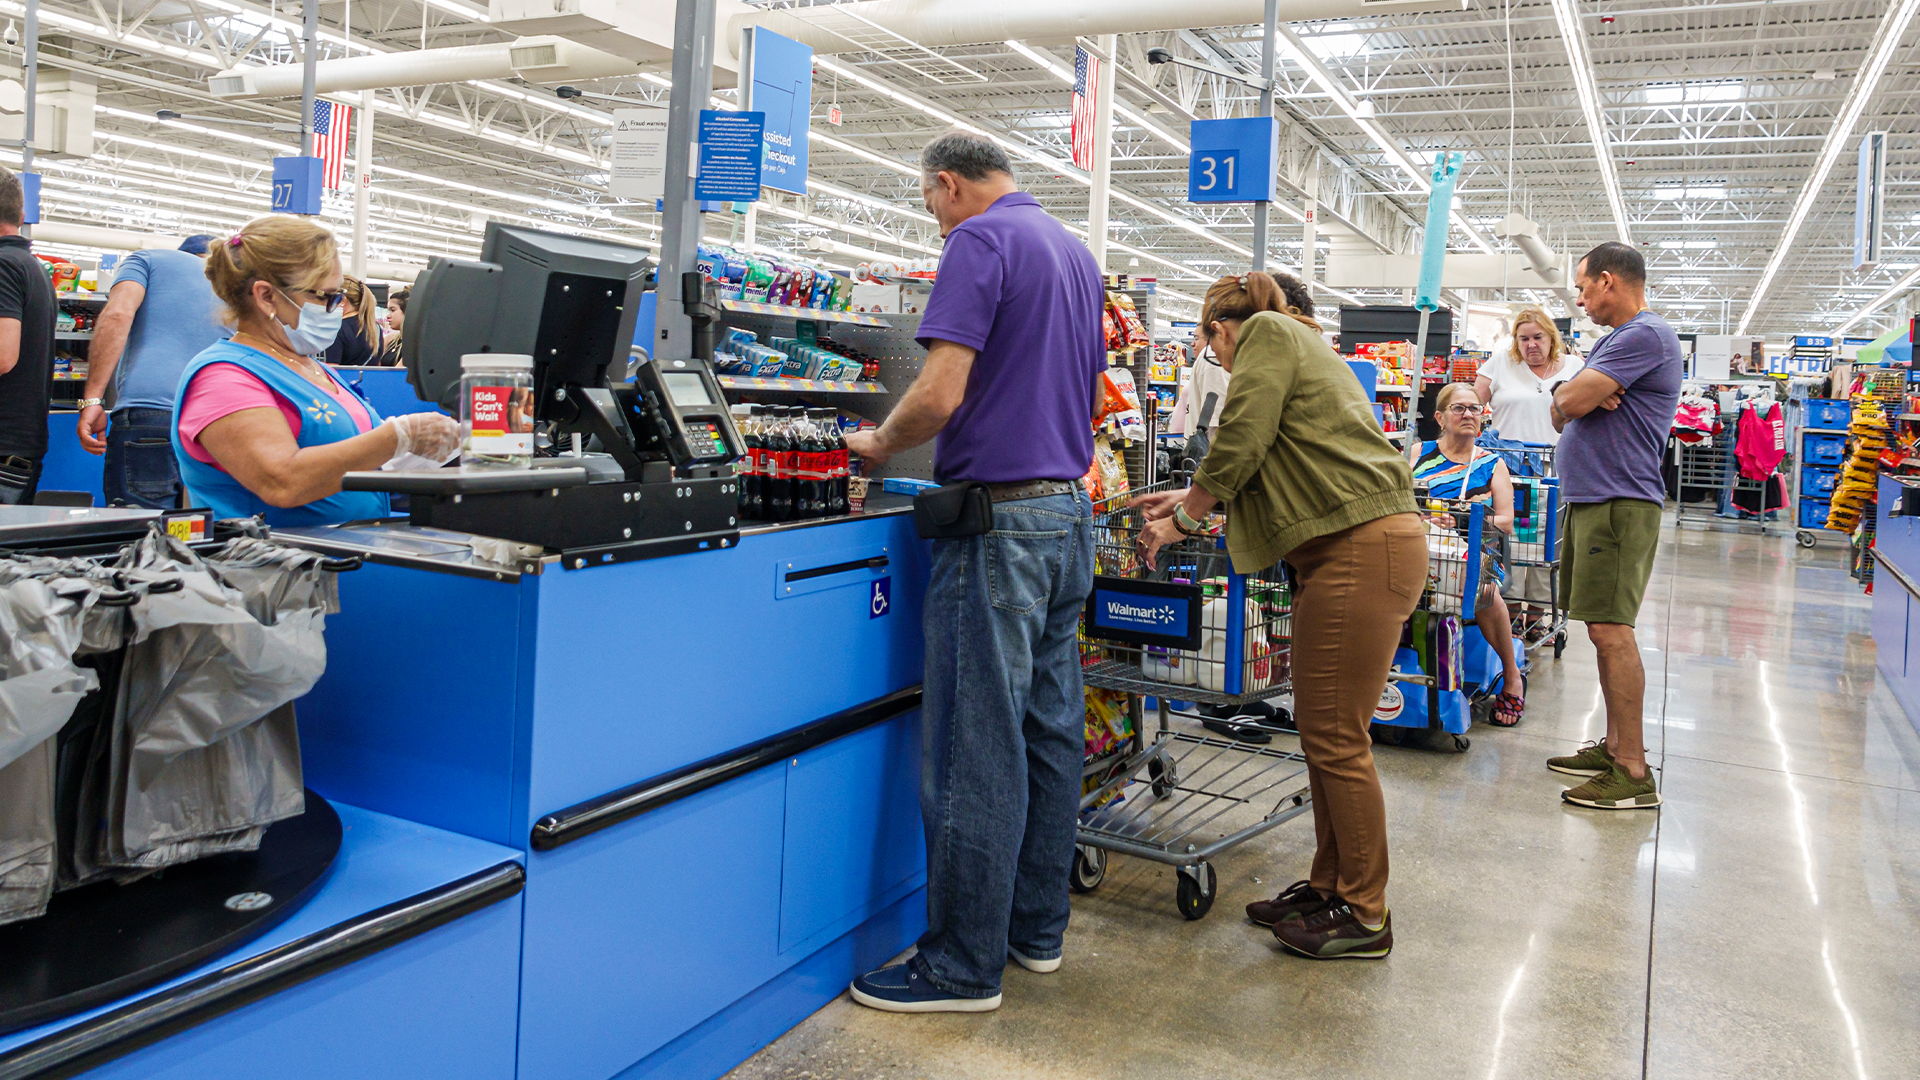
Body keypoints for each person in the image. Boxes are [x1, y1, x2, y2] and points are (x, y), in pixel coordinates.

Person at [842, 129, 1104, 1013]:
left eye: (929, 205)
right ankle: (1036, 932)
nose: (934, 222)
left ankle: (959, 964)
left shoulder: (979, 241)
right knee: (1047, 730)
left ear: (949, 185)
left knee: (972, 741)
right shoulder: (1073, 251)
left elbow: (944, 389)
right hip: (1069, 515)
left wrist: (876, 444)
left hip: (998, 526)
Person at [1135, 272, 1422, 961]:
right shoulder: (1304, 349)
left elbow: (1240, 435)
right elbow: (1276, 468)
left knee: (1335, 734)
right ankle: (1331, 886)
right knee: (1325, 732)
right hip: (1350, 547)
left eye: (1213, 351)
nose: (1222, 365)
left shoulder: (1267, 331)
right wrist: (1194, 495)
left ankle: (1365, 910)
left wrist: (1183, 518)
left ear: (1219, 329)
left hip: (1359, 549)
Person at [172, 215, 458, 526]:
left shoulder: (315, 369)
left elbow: (360, 459)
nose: (336, 309)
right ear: (266, 296)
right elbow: (282, 482)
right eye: (325, 297)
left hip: (346, 561)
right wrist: (395, 438)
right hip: (273, 567)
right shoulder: (222, 379)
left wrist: (454, 440)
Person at [1546, 241, 1682, 810]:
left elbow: (1570, 402)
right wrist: (1568, 394)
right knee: (1598, 630)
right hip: (1596, 498)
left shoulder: (1642, 335)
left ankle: (1632, 770)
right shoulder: (1617, 342)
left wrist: (1572, 394)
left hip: (1620, 501)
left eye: (1582, 288)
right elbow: (1561, 404)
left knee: (1611, 631)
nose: (1580, 300)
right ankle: (1616, 746)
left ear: (1608, 280)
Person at [74, 235, 228, 508]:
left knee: (142, 536)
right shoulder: (240, 286)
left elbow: (118, 314)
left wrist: (92, 400)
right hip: (219, 422)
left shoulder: (147, 259)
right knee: (207, 536)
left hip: (151, 415)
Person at [1409, 383, 1526, 725]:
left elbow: (1505, 521)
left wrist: (1461, 518)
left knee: (1485, 592)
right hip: (1419, 549)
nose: (1468, 415)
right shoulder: (1417, 454)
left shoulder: (1491, 464)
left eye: (1475, 409)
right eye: (1459, 408)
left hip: (1472, 555)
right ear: (1439, 417)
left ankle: (1512, 675)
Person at [0, 167, 56, 505]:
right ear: (21, 215)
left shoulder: (3, 265)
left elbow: (3, 356)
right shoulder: (33, 267)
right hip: (19, 449)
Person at [1475, 307, 1582, 446]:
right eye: (1524, 339)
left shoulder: (1574, 366)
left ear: (1551, 338)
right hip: (1506, 460)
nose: (1531, 344)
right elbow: (1471, 406)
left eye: (1538, 337)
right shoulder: (1500, 362)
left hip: (1557, 460)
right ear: (1516, 342)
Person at [321, 275, 380, 367]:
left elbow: (331, 372)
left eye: (328, 298)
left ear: (342, 301)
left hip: (341, 380)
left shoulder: (336, 329)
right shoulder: (375, 328)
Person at [377, 286, 408, 365]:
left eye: (393, 310)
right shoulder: (390, 340)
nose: (388, 315)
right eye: (388, 310)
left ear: (406, 311)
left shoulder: (413, 345)